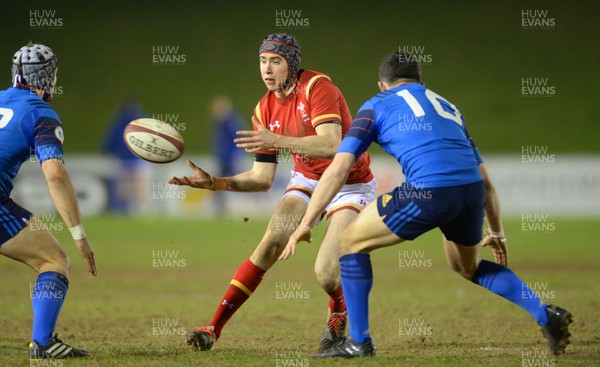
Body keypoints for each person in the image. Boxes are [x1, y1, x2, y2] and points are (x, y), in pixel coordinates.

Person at [281, 51, 572, 358]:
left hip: (429, 191)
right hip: (470, 191)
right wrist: (497, 232)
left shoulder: (376, 105)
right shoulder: (449, 108)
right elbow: (486, 182)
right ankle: (545, 314)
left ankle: (358, 341)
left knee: (350, 242)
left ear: (382, 85)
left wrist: (305, 223)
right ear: (421, 82)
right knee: (467, 266)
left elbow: (338, 168)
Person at [169, 33, 376, 352]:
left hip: (350, 182)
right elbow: (262, 178)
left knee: (326, 272)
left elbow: (333, 144)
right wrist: (216, 183)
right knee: (270, 242)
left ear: (291, 64)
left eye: (275, 61)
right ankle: (212, 327)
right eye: (263, 61)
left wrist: (276, 141)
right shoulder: (264, 109)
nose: (267, 69)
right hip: (307, 179)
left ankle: (339, 308)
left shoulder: (317, 87)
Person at [0, 43, 97, 360]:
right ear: (47, 77)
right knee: (54, 261)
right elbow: (54, 175)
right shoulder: (40, 113)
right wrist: (79, 236)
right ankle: (43, 343)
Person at [209, 95, 246, 216]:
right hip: (224, 159)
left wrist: (235, 156)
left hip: (230, 159)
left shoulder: (230, 123)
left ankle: (224, 208)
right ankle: (221, 208)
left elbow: (238, 139)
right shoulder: (220, 124)